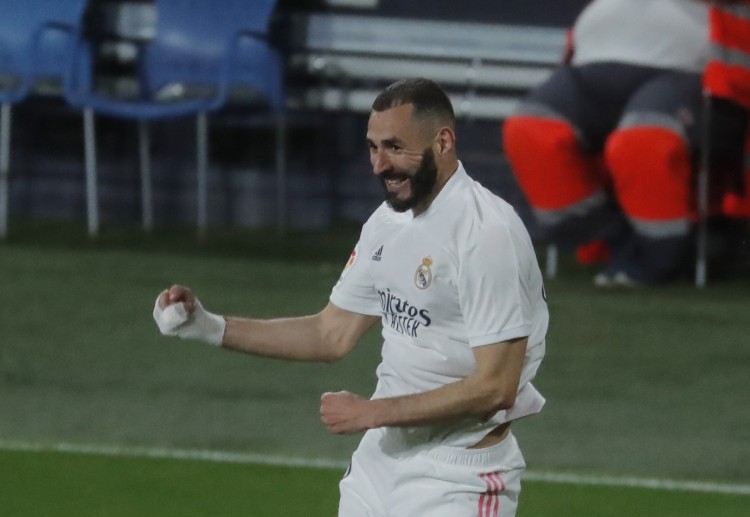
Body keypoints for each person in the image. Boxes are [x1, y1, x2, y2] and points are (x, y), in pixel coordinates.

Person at [153, 78, 548, 517]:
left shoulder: (486, 234)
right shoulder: (387, 223)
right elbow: (330, 333)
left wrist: (374, 412)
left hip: (458, 479)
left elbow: (496, 387)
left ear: (443, 142)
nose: (379, 165)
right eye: (373, 148)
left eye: (395, 147)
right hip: (379, 465)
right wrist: (206, 326)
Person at [502, 0, 722, 286]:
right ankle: (611, 239)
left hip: (682, 67)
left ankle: (660, 257)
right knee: (529, 129)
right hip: (589, 62)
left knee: (644, 140)